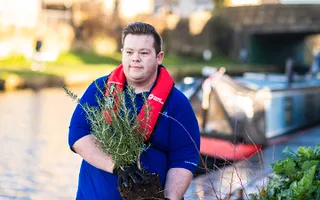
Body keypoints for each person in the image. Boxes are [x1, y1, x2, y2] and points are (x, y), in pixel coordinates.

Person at [68, 22, 200, 200]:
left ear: (159, 57)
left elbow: (185, 156)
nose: (135, 58)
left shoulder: (178, 103)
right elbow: (78, 135)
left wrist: (170, 197)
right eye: (129, 52)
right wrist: (118, 166)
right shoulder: (99, 89)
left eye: (143, 53)